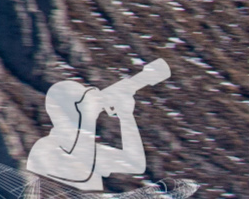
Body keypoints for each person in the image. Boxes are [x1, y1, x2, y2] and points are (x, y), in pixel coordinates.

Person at [25, 58, 171, 190]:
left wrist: (126, 117)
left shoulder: (88, 150)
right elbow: (78, 173)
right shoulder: (45, 149)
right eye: (85, 101)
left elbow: (135, 164)